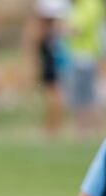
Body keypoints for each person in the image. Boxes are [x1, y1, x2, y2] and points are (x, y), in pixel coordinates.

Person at [65, 0, 106, 134]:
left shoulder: (87, 4)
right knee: (89, 94)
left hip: (83, 56)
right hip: (88, 55)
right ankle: (93, 128)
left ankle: (85, 129)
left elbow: (76, 29)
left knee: (83, 96)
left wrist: (60, 28)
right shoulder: (93, 4)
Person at [32, 0, 71, 135]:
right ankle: (52, 127)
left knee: (54, 97)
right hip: (51, 65)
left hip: (53, 65)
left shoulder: (51, 30)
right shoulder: (49, 31)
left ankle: (53, 127)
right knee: (54, 96)